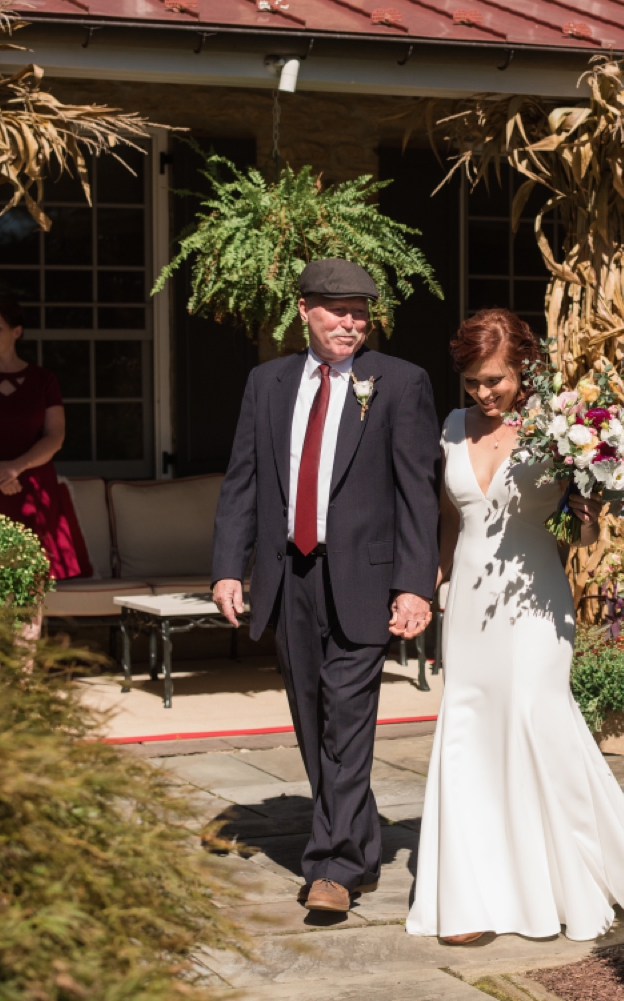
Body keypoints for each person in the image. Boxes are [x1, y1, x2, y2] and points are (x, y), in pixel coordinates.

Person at [406, 308, 624, 944]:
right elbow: (452, 519)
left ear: (524, 368)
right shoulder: (450, 426)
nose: (483, 393)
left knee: (537, 719)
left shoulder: (562, 426)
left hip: (534, 596)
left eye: (495, 380)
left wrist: (589, 508)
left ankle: (566, 880)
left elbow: (582, 530)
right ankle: (473, 897)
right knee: (470, 734)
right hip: (469, 602)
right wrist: (435, 582)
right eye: (473, 381)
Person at [210, 259, 440, 914]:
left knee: (349, 717)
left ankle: (332, 868)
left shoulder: (399, 382)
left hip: (363, 579)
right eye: (337, 309)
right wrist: (230, 565)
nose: (350, 320)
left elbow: (416, 494)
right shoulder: (268, 382)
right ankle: (358, 840)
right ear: (305, 308)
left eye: (361, 310)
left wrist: (414, 583)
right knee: (313, 719)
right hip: (289, 577)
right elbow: (244, 481)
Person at [0, 301, 93, 581]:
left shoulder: (43, 380)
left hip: (31, 487)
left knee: (33, 577)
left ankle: (31, 628)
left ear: (17, 332)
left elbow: (55, 437)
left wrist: (15, 468)